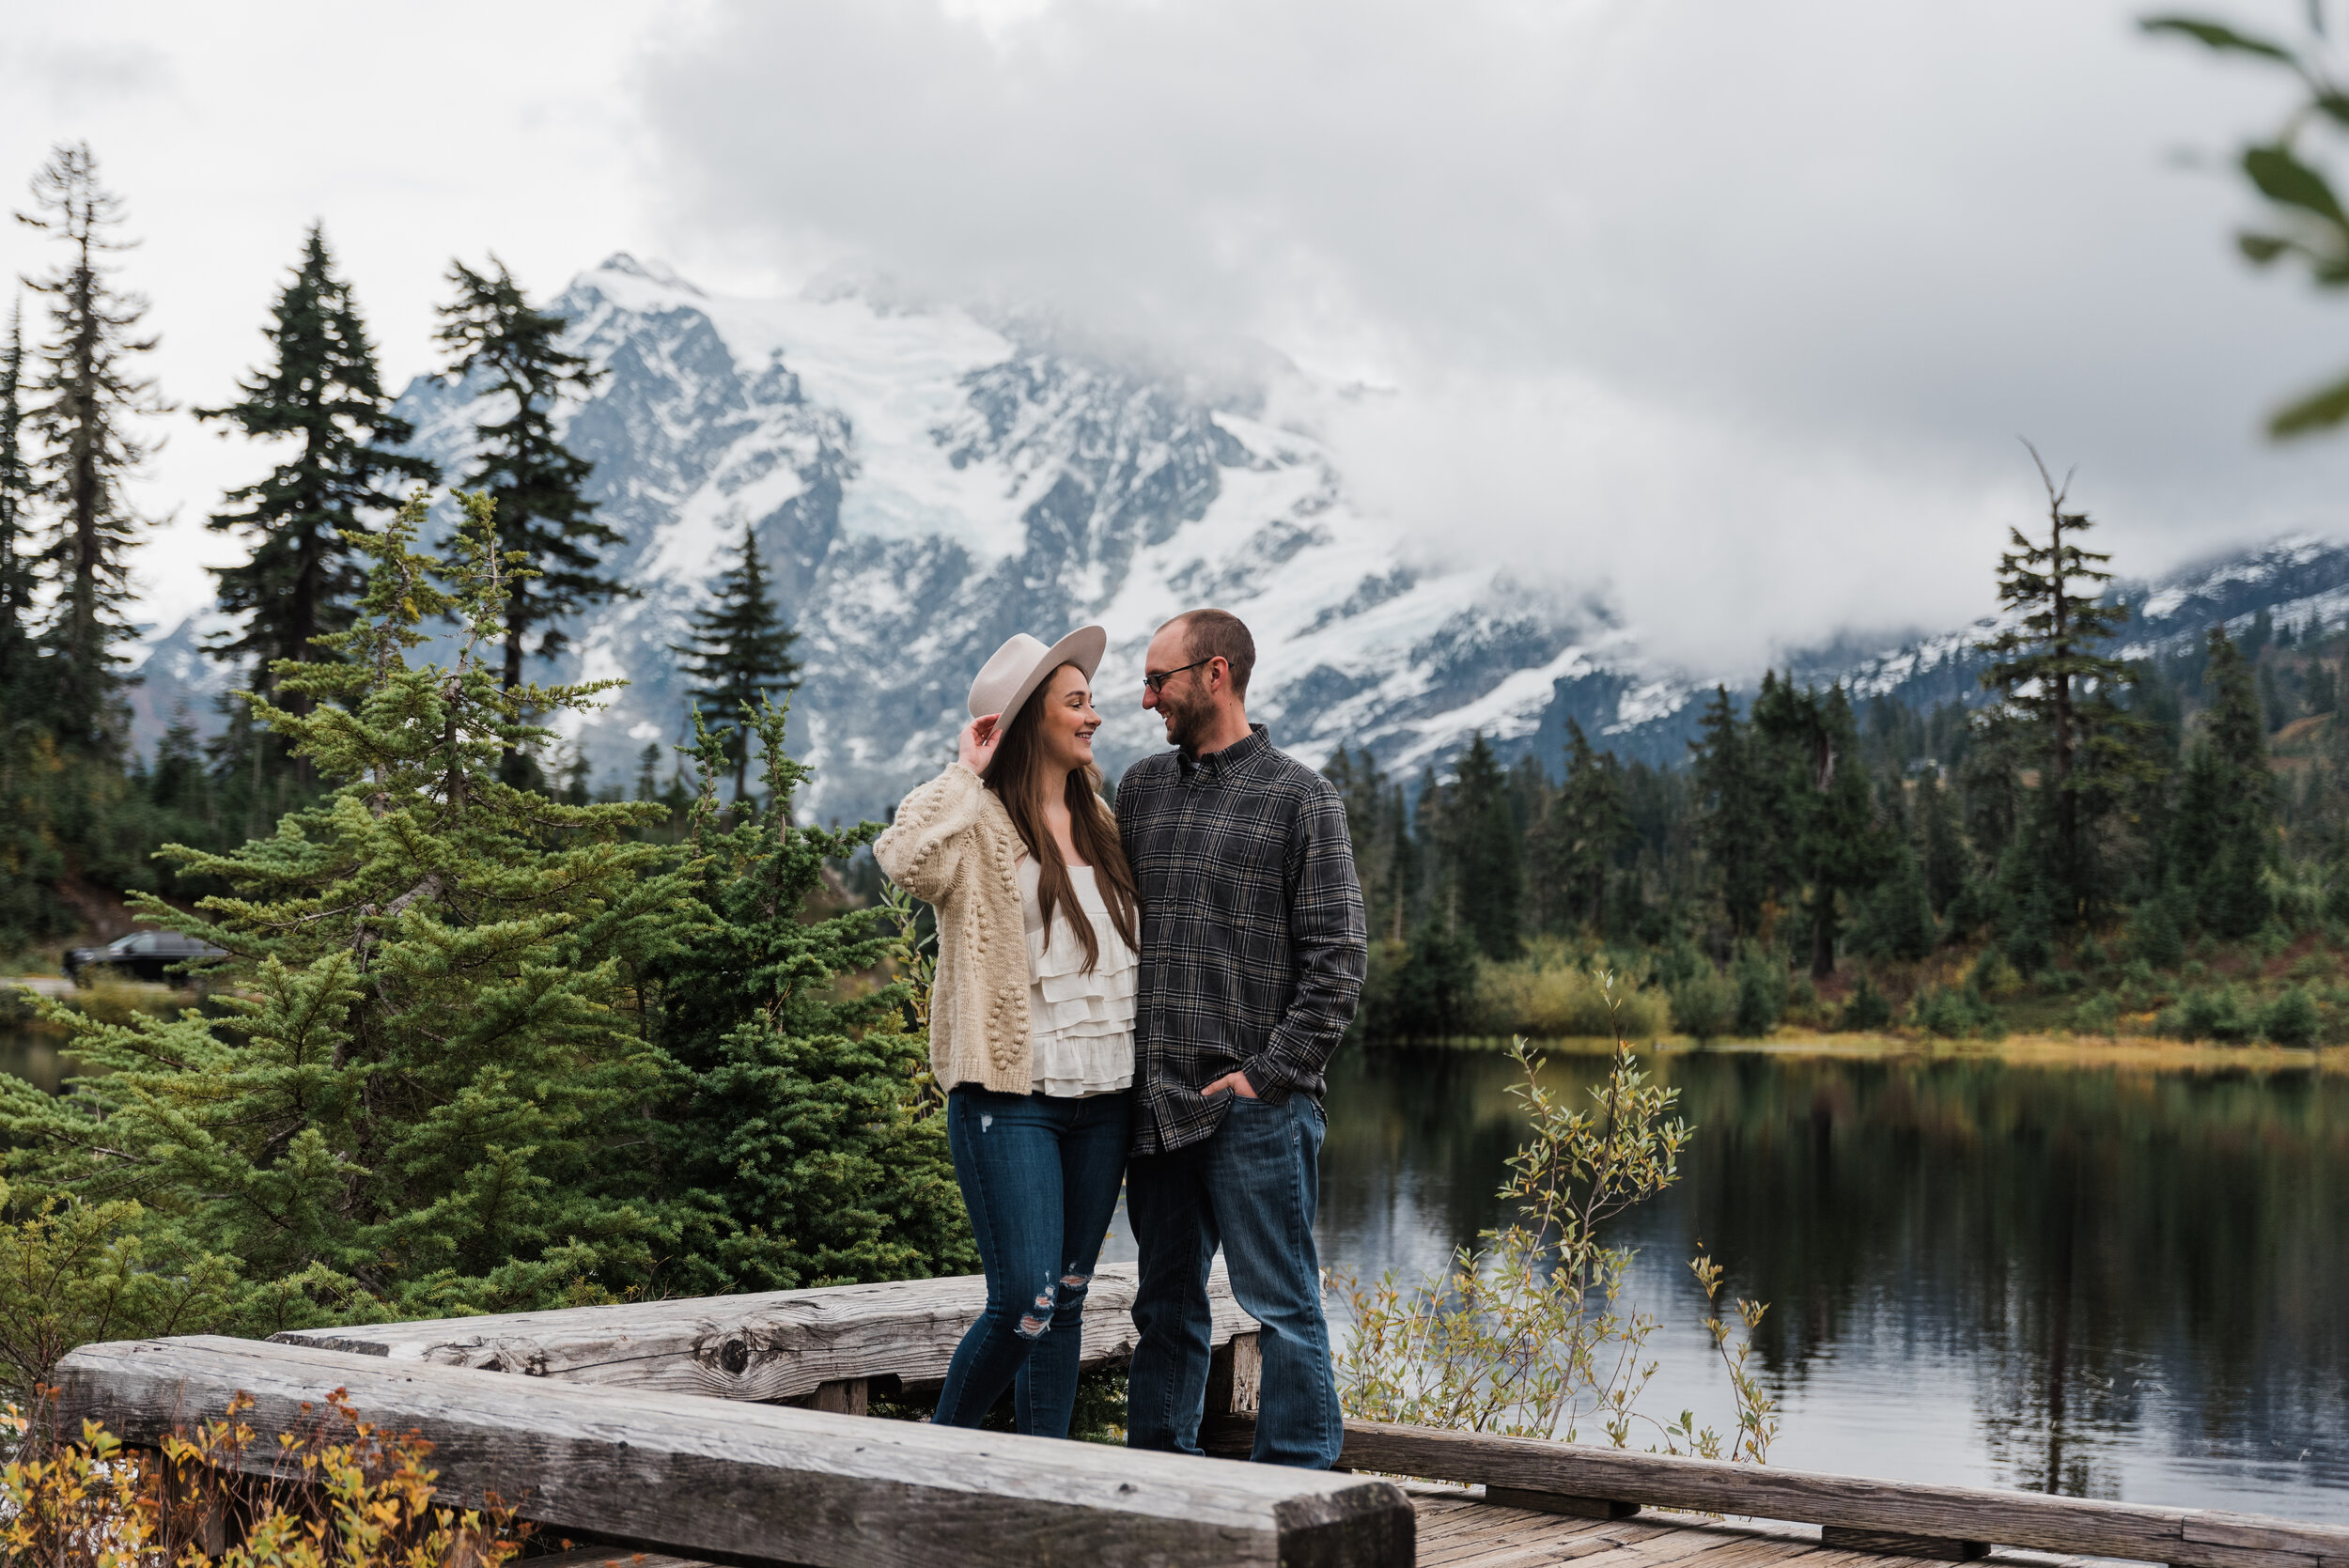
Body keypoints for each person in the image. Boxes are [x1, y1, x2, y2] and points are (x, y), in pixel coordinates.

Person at [873, 626, 1142, 1437]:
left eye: (1090, 699)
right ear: (1031, 721)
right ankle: (929, 1462)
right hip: (1008, 1096)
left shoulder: (1100, 818)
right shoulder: (978, 821)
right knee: (1023, 1297)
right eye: (1076, 702)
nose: (1094, 715)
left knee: (1064, 1300)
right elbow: (905, 858)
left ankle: (1042, 1488)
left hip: (1106, 1095)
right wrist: (967, 767)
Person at [1117, 608, 1368, 1469]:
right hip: (1153, 1108)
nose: (1145, 697)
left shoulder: (1302, 798)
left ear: (1215, 674)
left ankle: (1299, 1492)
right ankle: (1155, 1481)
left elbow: (1338, 960)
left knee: (1283, 1306)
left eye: (1160, 679)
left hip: (1252, 1110)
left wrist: (1270, 1074)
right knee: (1166, 1310)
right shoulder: (1140, 790)